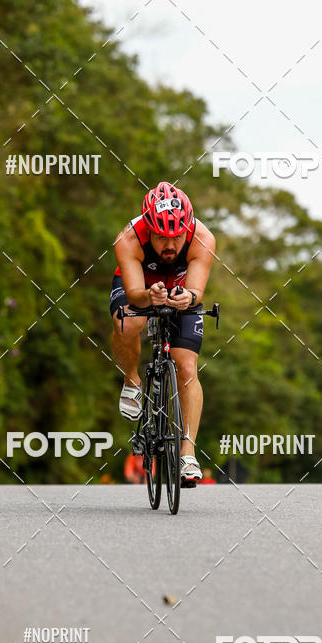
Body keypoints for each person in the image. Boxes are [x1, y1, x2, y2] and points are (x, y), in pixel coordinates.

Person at [110, 181, 216, 487]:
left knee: (186, 366)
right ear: (147, 230)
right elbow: (134, 295)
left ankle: (188, 452)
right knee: (128, 321)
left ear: (188, 229)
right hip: (142, 285)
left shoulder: (203, 239)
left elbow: (196, 290)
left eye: (176, 237)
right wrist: (149, 296)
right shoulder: (127, 240)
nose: (169, 245)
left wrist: (189, 298)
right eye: (159, 237)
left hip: (181, 287)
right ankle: (131, 379)